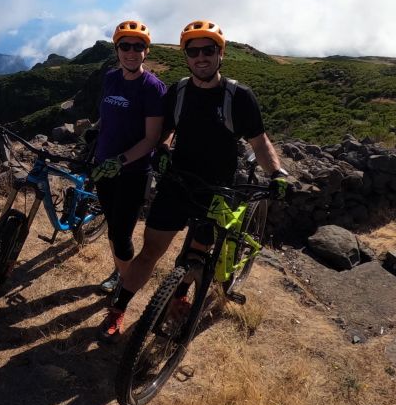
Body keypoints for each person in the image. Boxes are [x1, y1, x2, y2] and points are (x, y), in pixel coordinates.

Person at [106, 19, 290, 341]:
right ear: (186, 56)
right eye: (193, 51)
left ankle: (180, 293)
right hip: (177, 181)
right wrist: (163, 147)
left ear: (221, 54)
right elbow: (167, 128)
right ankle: (118, 310)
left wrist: (276, 173)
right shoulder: (177, 91)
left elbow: (259, 142)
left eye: (208, 50)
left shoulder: (239, 97)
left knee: (196, 253)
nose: (200, 57)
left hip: (218, 187)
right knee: (150, 252)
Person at [90, 20, 166, 342]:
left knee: (121, 233)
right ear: (117, 49)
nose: (132, 52)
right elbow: (107, 119)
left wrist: (119, 161)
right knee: (112, 225)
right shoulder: (109, 78)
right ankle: (121, 273)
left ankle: (124, 291)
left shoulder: (152, 88)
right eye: (126, 46)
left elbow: (152, 139)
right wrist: (94, 136)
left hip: (132, 173)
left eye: (138, 46)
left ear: (146, 51)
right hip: (102, 166)